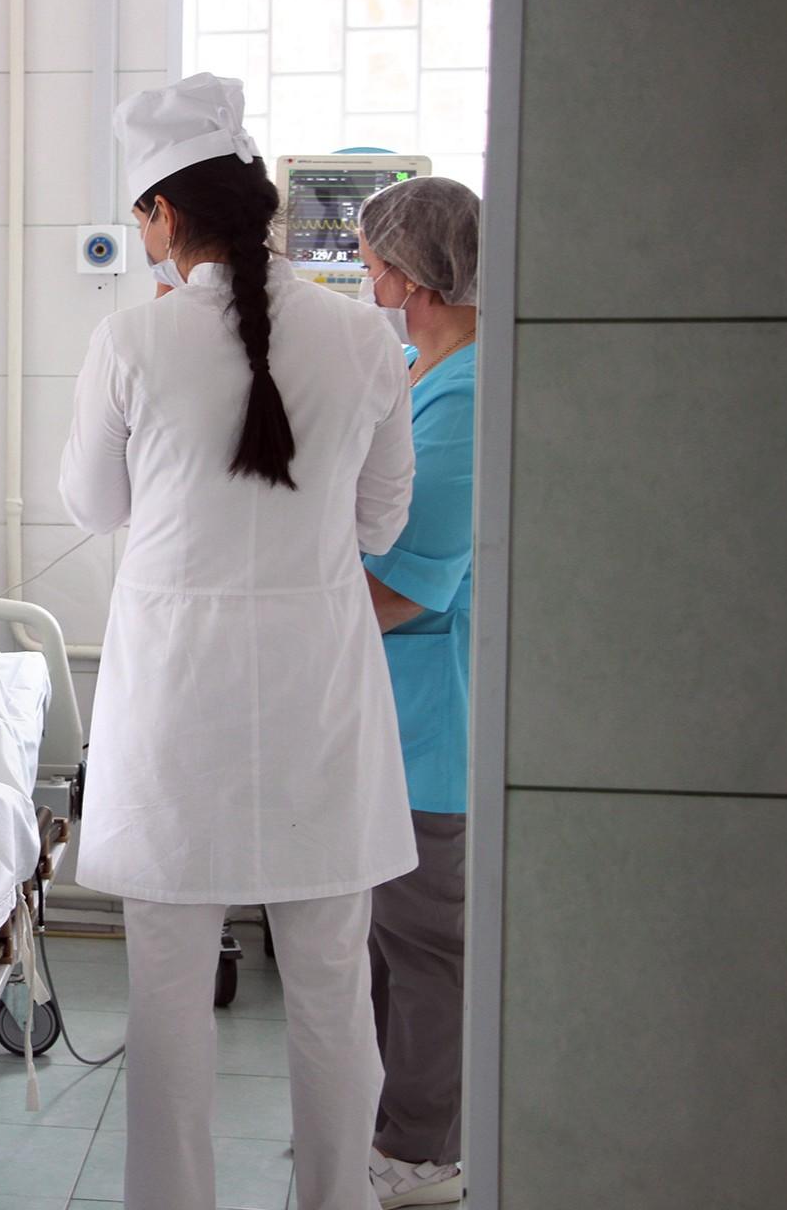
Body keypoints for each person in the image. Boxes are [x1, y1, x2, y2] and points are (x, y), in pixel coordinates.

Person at [60, 73, 418, 1210]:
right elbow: (382, 523)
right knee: (332, 991)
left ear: (163, 213)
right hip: (319, 698)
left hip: (178, 707)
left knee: (168, 999)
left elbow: (93, 505)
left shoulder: (131, 339)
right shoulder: (366, 338)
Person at [354, 176, 481, 1209]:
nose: (366, 283)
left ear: (411, 277)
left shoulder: (469, 395)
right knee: (384, 943)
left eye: (370, 265)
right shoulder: (415, 368)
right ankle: (389, 1125)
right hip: (385, 717)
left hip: (431, 721)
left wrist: (282, 627)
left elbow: (405, 583)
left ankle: (425, 1154)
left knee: (428, 946)